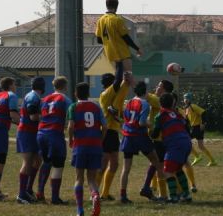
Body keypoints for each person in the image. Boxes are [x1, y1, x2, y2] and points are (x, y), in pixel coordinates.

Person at [118, 81, 165, 204]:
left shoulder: (129, 102)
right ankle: (155, 191)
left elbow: (125, 118)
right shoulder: (145, 104)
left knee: (126, 168)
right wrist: (151, 125)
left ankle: (123, 195)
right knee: (156, 161)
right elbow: (141, 123)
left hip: (127, 136)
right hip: (140, 136)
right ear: (145, 91)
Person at [67, 82, 107, 216]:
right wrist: (100, 140)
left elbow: (71, 126)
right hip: (95, 146)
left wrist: (71, 140)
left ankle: (80, 209)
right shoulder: (96, 107)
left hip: (81, 146)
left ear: (75, 94)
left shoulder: (73, 107)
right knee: (91, 179)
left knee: (79, 178)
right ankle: (95, 195)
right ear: (88, 94)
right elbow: (105, 127)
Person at [36, 76, 72, 204]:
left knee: (46, 162)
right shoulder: (64, 99)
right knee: (58, 165)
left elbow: (40, 114)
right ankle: (55, 198)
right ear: (64, 86)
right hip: (54, 134)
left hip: (41, 133)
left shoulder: (45, 99)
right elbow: (73, 113)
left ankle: (40, 192)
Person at [151, 93, 193, 203]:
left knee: (167, 171)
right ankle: (187, 195)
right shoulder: (177, 114)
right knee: (178, 168)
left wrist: (148, 127)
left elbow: (155, 134)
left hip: (175, 144)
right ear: (173, 103)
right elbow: (187, 128)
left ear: (160, 103)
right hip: (186, 142)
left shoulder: (160, 115)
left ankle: (173, 197)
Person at [98, 72, 133, 200]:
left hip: (113, 132)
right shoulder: (105, 94)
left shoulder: (113, 95)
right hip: (106, 131)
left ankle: (104, 193)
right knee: (103, 163)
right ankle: (94, 194)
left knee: (114, 164)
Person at [95, 0, 143, 86]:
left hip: (110, 54)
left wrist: (109, 43)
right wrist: (137, 49)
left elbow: (99, 40)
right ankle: (140, 96)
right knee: (129, 77)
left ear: (106, 5)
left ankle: (119, 98)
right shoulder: (117, 20)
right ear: (117, 6)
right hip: (122, 53)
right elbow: (126, 37)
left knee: (119, 79)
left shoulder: (100, 20)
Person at [16, 77, 45, 204]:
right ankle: (21, 194)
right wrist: (47, 116)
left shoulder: (34, 96)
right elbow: (33, 116)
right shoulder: (33, 97)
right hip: (27, 132)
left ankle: (28, 189)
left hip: (32, 132)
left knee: (37, 160)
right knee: (27, 163)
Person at [184, 92, 217, 167]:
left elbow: (203, 112)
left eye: (187, 98)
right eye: (184, 98)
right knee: (201, 146)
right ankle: (212, 160)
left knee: (186, 141)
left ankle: (197, 156)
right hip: (195, 128)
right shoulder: (186, 108)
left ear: (190, 99)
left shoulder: (193, 106)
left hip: (197, 127)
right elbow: (186, 120)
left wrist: (203, 123)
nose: (185, 100)